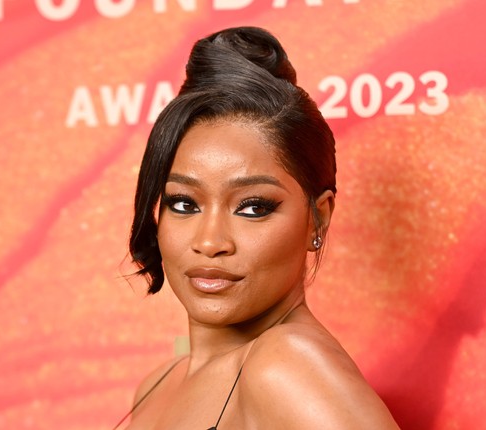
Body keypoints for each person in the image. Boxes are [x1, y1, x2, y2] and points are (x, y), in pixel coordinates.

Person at [119, 26, 400, 429]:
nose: (210, 241)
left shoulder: (288, 366)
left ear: (318, 216)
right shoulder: (157, 385)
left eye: (253, 208)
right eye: (184, 204)